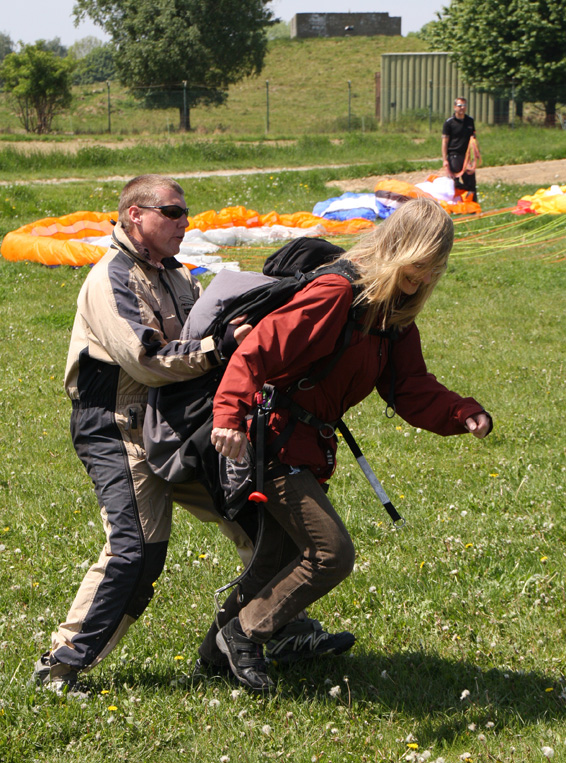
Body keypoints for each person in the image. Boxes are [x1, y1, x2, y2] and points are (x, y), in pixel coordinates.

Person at [33, 174, 351, 692]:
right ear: (135, 215)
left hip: (177, 423)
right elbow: (148, 358)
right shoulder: (112, 276)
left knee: (268, 526)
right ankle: (63, 664)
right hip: (118, 428)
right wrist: (222, 346)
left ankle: (277, 630)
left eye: (186, 213)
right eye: (173, 213)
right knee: (136, 551)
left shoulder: (178, 275)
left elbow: (210, 325)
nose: (186, 223)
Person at [209, 197, 492, 692]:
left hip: (305, 447)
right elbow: (258, 349)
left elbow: (410, 387)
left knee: (274, 564)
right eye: (419, 262)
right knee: (330, 552)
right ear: (398, 247)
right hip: (267, 443)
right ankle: (244, 634)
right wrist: (229, 415)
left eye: (434, 268)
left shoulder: (392, 317)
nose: (423, 278)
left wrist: (462, 412)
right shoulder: (336, 293)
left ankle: (211, 663)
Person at [442, 97, 481, 202]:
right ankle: (455, 204)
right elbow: (445, 141)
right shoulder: (449, 123)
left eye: (464, 105)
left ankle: (473, 204)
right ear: (455, 107)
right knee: (455, 182)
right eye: (459, 106)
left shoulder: (470, 121)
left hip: (467, 156)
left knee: (471, 181)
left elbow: (473, 137)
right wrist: (445, 159)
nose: (462, 108)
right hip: (454, 155)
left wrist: (476, 152)